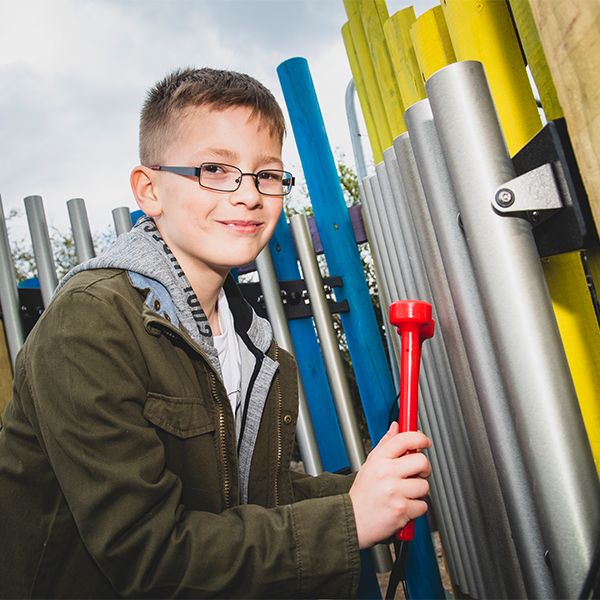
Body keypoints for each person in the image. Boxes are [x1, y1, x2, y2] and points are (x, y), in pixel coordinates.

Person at [0, 67, 432, 598]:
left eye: (267, 175)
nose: (248, 195)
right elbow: (148, 556)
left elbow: (247, 494)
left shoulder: (255, 340)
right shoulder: (88, 326)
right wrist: (349, 518)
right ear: (150, 190)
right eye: (214, 169)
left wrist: (370, 493)